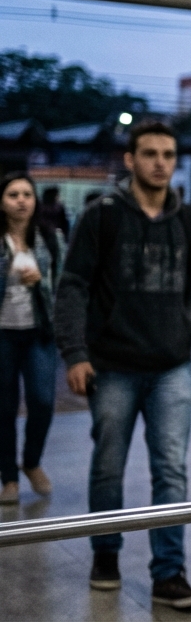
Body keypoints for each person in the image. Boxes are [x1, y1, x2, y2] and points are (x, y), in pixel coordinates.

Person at [55, 120, 191, 609]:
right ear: (130, 159)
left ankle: (169, 572)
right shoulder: (102, 215)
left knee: (171, 470)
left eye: (168, 153)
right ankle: (106, 553)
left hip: (171, 366)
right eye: (150, 153)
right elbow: (74, 285)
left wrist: (186, 328)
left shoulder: (188, 220)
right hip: (113, 365)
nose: (160, 162)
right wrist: (76, 354)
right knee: (108, 466)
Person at [0, 174, 64, 505]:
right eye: (13, 194)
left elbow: (67, 286)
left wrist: (42, 281)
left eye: (27, 194)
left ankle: (32, 460)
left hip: (39, 333)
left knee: (41, 401)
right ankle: (8, 478)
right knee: (3, 408)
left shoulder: (50, 239)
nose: (21, 200)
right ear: (2, 201)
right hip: (3, 335)